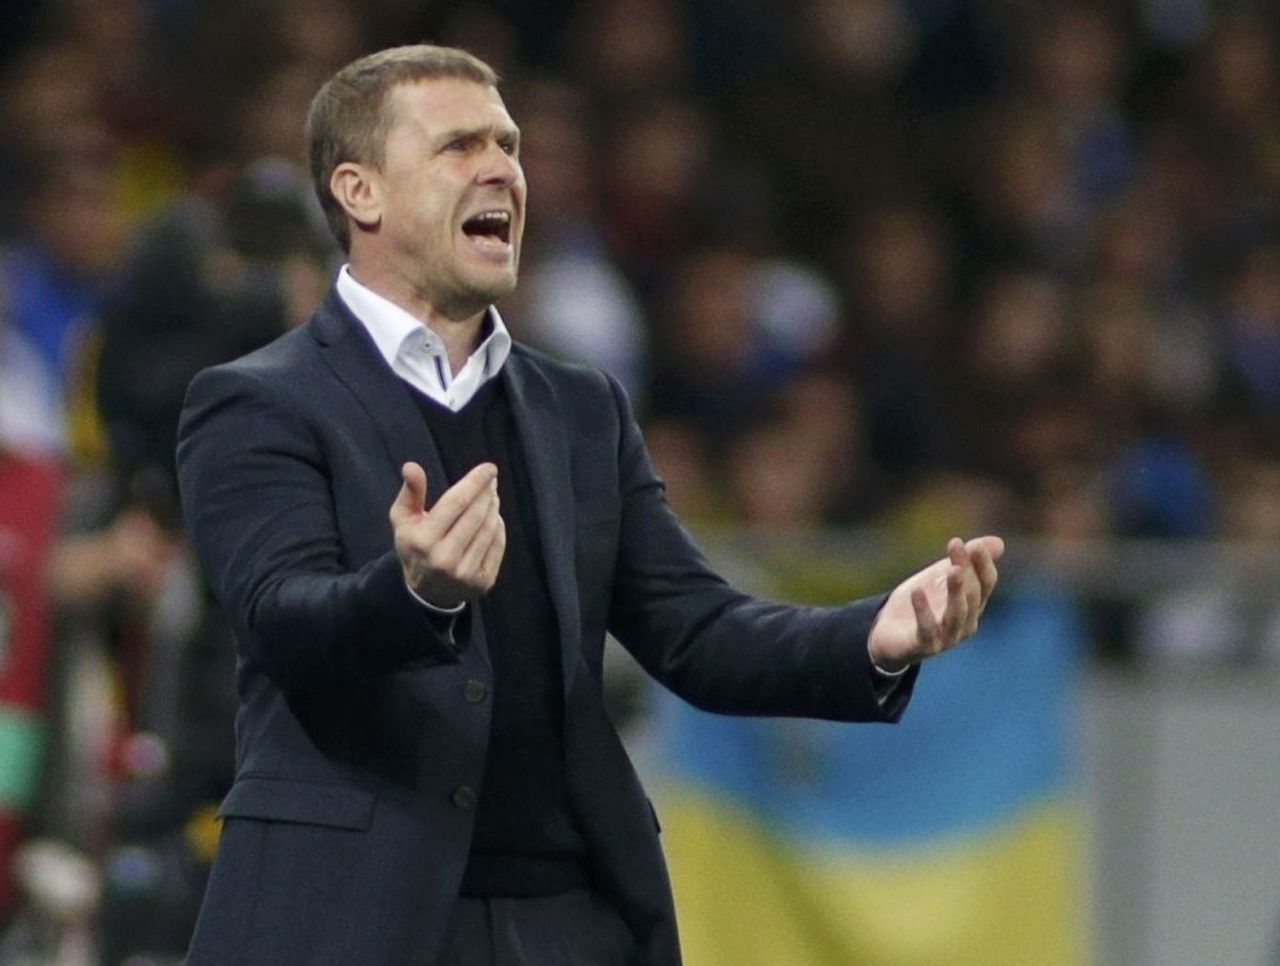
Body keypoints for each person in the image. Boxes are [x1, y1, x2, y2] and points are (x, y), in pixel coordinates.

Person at [175, 44, 1004, 966]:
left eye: (508, 144)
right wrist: (410, 594)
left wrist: (871, 635)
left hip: (563, 920)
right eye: (459, 146)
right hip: (349, 917)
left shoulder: (580, 408)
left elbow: (694, 630)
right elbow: (281, 620)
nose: (502, 169)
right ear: (359, 192)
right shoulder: (258, 401)